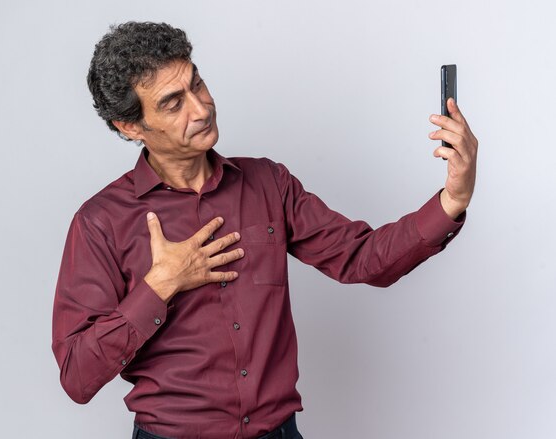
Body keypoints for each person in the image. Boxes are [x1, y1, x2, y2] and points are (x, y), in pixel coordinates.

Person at [51, 21, 478, 439]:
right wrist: (159, 285)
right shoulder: (100, 222)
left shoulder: (267, 183)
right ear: (130, 126)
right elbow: (77, 375)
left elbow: (362, 258)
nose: (201, 109)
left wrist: (452, 200)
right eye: (172, 103)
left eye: (196, 84)